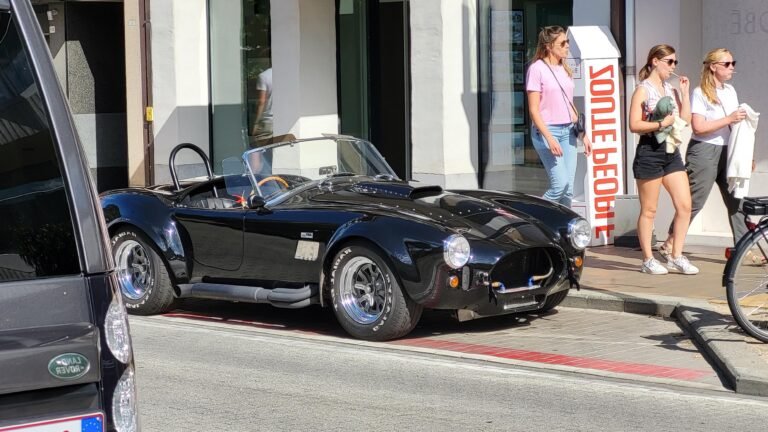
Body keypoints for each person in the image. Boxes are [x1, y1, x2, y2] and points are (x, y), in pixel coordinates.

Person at [659, 48, 748, 261]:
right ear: (713, 66)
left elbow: (737, 126)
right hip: (705, 151)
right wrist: (729, 119)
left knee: (736, 198)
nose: (732, 67)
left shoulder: (730, 91)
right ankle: (670, 242)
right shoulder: (700, 93)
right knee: (695, 200)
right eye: (727, 64)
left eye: (732, 63)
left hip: (729, 150)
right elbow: (698, 127)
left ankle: (745, 247)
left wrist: (744, 155)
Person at [629, 44, 697, 275]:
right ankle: (648, 259)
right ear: (654, 61)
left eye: (675, 62)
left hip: (671, 152)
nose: (673, 66)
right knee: (649, 209)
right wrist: (660, 124)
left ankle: (676, 255)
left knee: (685, 205)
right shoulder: (643, 90)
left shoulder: (670, 89)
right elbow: (634, 125)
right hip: (649, 152)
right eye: (669, 61)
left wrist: (685, 94)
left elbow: (684, 120)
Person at [526, 26, 592, 208]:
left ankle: (566, 233)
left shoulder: (564, 68)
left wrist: (583, 134)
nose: (567, 46)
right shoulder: (536, 69)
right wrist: (549, 138)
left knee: (568, 189)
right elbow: (534, 110)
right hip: (547, 131)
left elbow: (569, 104)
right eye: (562, 43)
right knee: (559, 185)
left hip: (569, 130)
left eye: (567, 42)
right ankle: (534, 218)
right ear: (548, 46)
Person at [250, 67, 273, 141]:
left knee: (257, 148)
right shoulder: (286, 74)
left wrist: (256, 123)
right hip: (284, 120)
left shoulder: (264, 76)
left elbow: (262, 101)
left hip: (268, 120)